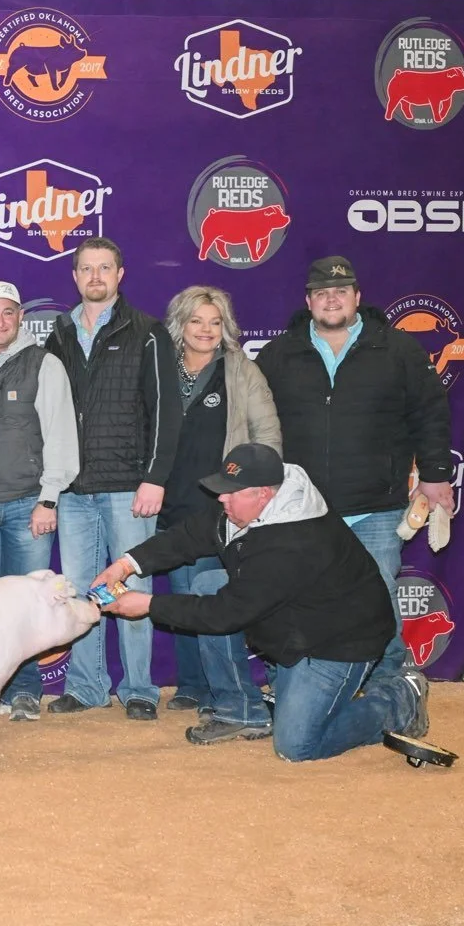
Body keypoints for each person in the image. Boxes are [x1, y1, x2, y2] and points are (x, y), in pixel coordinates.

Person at [94, 443, 429, 762]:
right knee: (209, 584)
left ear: (263, 494)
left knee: (297, 745)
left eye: (231, 492)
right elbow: (190, 535)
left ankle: (399, 699)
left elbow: (225, 613)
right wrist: (125, 565)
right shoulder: (248, 508)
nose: (221, 497)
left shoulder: (292, 542)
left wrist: (149, 605)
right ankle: (241, 711)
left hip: (341, 641)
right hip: (301, 617)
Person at [256, 256, 453, 694]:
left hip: (374, 506)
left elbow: (430, 414)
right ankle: (294, 688)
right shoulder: (278, 354)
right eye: (322, 293)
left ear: (357, 297)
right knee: (296, 596)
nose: (332, 299)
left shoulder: (399, 350)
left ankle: (391, 687)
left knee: (377, 597)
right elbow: (255, 423)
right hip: (301, 508)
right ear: (308, 301)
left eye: (341, 291)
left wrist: (436, 474)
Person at [43, 237, 181, 720]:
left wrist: (155, 477)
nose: (95, 276)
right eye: (87, 268)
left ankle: (139, 688)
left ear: (120, 274)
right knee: (82, 588)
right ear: (75, 277)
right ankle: (86, 685)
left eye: (105, 268)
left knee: (129, 586)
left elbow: (166, 409)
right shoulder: (59, 334)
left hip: (129, 486)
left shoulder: (147, 331)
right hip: (75, 489)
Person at [157, 285, 283, 744]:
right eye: (197, 320)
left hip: (221, 504)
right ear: (181, 324)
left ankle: (218, 690)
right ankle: (192, 684)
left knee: (211, 594)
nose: (206, 330)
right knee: (182, 596)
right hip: (168, 501)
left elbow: (267, 433)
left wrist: (260, 490)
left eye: (215, 322)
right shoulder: (161, 368)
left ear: (226, 327)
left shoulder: (242, 370)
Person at [0, 281, 79, 722]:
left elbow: (60, 434)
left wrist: (49, 499)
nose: (0, 321)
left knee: (27, 607)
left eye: (8, 312)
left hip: (25, 504)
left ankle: (25, 689)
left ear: (21, 317)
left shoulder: (44, 364)